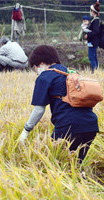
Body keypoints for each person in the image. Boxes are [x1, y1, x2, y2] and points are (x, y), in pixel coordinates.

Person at [18, 45, 99, 176]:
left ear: (42, 63)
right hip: (90, 126)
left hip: (68, 127)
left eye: (35, 69)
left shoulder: (45, 76)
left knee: (53, 166)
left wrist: (26, 130)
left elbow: (39, 110)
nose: (36, 72)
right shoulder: (71, 72)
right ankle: (83, 190)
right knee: (76, 166)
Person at [84, 2, 101, 72]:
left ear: (93, 11)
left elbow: (96, 31)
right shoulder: (96, 19)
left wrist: (88, 35)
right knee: (94, 56)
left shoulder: (96, 20)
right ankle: (96, 70)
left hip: (93, 41)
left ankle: (94, 71)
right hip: (94, 41)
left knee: (91, 57)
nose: (90, 12)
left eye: (90, 10)